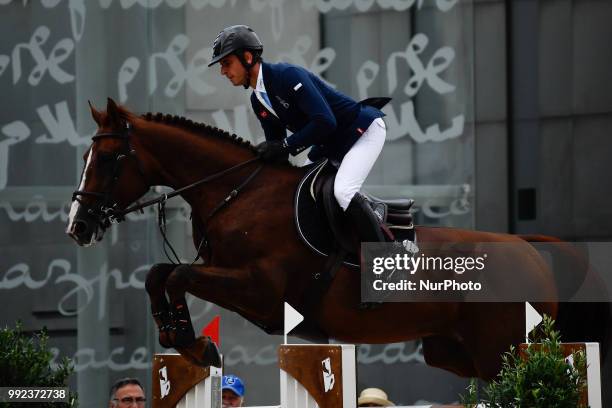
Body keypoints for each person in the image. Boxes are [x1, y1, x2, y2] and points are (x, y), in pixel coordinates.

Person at [209, 25, 388, 243]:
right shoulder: (258, 101)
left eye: (226, 63)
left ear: (247, 57)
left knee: (343, 191)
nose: (223, 72)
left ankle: (388, 263)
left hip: (362, 130)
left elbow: (325, 121)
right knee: (296, 193)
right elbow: (279, 152)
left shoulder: (287, 76)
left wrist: (284, 145)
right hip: (330, 143)